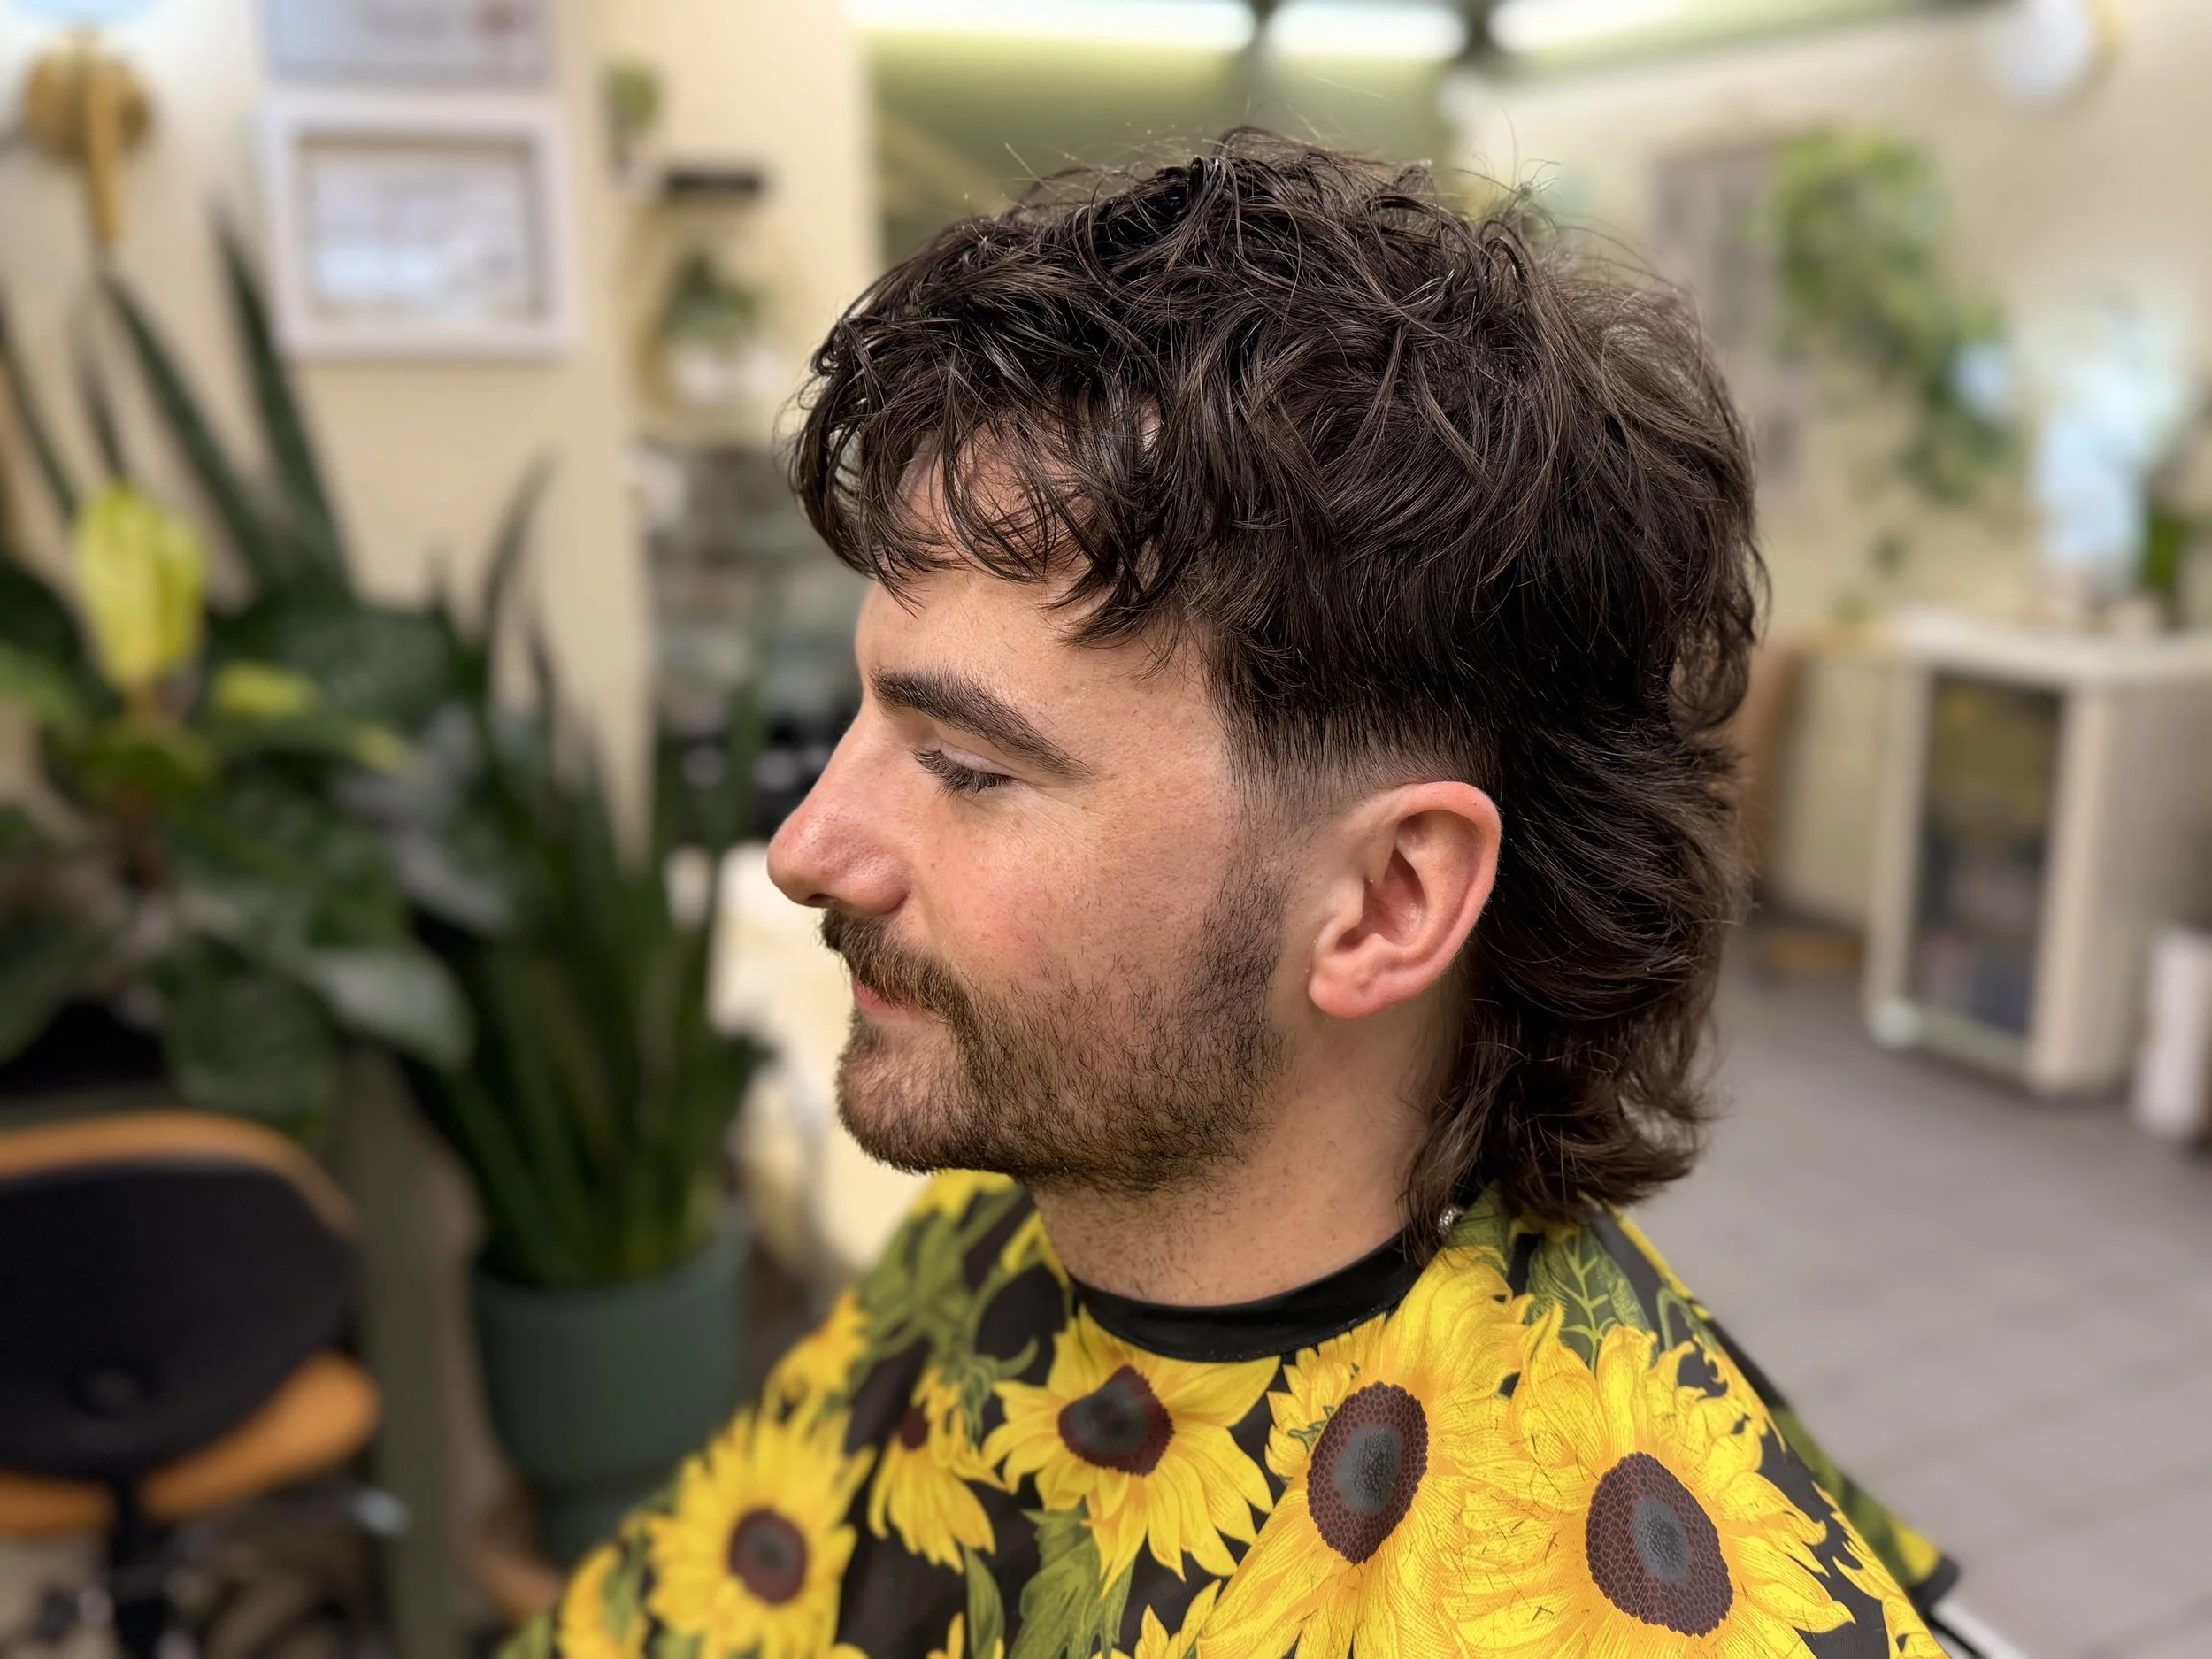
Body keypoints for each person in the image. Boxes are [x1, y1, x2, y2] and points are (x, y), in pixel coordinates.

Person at [515, 136, 1964, 1659]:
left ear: (1385, 901)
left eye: (966, 764)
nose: (808, 846)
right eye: (861, 717)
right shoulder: (1010, 1234)